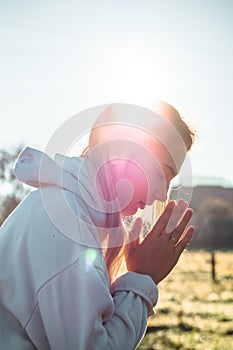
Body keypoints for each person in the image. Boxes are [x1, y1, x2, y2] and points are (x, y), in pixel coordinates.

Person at [0, 101, 195, 349]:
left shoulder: (74, 215)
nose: (161, 195)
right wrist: (141, 280)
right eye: (163, 174)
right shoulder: (68, 225)